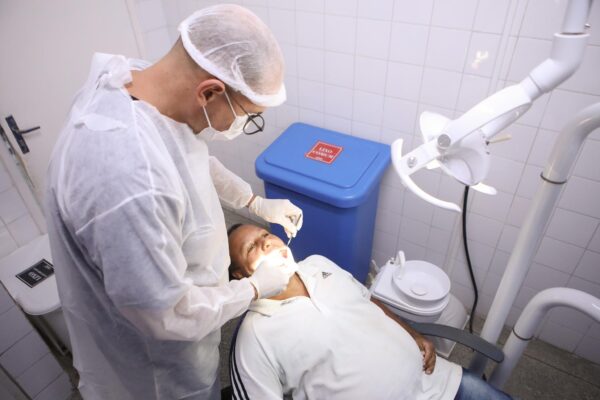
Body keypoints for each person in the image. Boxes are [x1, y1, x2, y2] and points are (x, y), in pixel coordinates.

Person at [44, 5, 302, 400]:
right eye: (249, 116)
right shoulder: (127, 181)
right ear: (209, 92)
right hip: (152, 373)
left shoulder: (138, 83)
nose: (243, 125)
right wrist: (253, 289)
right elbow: (167, 316)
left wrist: (253, 201)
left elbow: (187, 157)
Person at [227, 224, 514, 400]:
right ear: (240, 275)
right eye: (252, 247)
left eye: (266, 234)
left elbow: (367, 299)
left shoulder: (317, 264)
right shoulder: (255, 336)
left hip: (440, 383)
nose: (267, 242)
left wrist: (412, 333)